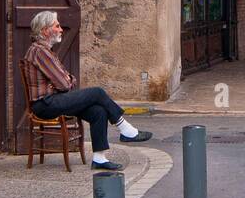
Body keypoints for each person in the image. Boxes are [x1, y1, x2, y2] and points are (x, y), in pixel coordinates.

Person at [23, 10, 152, 171]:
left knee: (98, 111)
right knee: (97, 92)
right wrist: (64, 81)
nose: (61, 29)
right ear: (45, 30)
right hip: (45, 104)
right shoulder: (39, 52)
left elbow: (67, 79)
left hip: (55, 100)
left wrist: (65, 81)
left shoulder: (45, 51)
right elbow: (64, 83)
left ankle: (99, 159)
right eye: (57, 26)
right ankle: (125, 129)